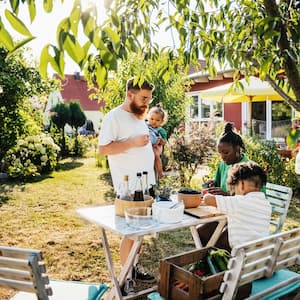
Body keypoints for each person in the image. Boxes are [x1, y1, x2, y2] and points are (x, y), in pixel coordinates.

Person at [98, 77, 156, 295]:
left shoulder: (138, 116)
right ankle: (126, 278)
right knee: (131, 234)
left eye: (149, 98)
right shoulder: (114, 117)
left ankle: (134, 267)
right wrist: (132, 143)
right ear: (130, 94)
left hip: (145, 185)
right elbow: (103, 149)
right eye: (143, 98)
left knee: (140, 234)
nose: (147, 103)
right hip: (129, 190)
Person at [199, 161, 271, 251]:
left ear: (241, 185)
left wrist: (206, 193)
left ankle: (204, 261)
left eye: (234, 187)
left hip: (240, 257)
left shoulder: (238, 202)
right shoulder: (266, 204)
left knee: (207, 238)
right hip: (259, 254)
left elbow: (208, 199)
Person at [205, 122, 249, 195]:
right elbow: (218, 184)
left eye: (226, 153)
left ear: (237, 148)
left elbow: (254, 200)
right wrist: (212, 184)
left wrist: (227, 195)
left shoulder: (250, 169)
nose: (222, 157)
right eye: (220, 153)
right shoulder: (223, 165)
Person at [147, 103, 168, 179]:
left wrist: (161, 140)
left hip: (156, 147)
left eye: (157, 120)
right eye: (152, 119)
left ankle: (160, 172)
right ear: (148, 117)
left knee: (156, 156)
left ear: (162, 121)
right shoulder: (145, 125)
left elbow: (164, 141)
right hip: (148, 145)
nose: (154, 121)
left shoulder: (160, 130)